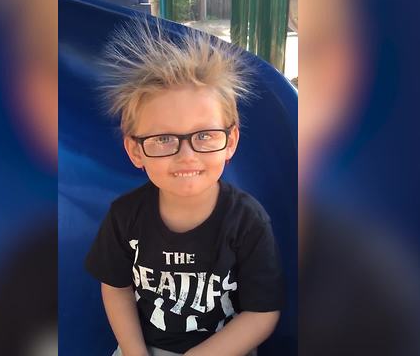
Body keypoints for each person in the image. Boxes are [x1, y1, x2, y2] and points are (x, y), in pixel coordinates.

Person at [84, 20, 285, 356]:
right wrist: (135, 353)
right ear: (136, 150)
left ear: (230, 141)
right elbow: (116, 287)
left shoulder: (247, 221)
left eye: (204, 135)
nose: (186, 155)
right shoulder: (125, 216)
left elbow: (262, 313)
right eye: (163, 139)